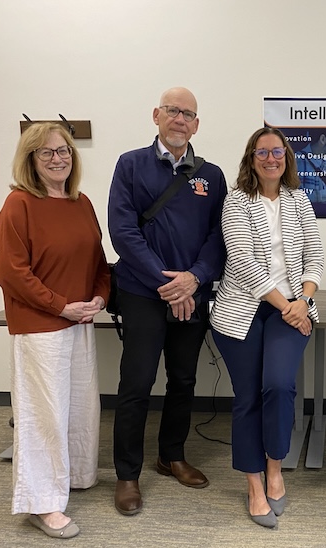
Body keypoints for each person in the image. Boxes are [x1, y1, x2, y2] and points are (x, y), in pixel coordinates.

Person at [108, 87, 227, 516]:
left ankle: (171, 456)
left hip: (192, 293)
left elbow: (219, 236)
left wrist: (193, 279)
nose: (180, 119)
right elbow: (123, 232)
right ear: (156, 115)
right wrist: (168, 284)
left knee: (183, 380)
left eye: (188, 114)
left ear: (196, 125)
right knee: (136, 383)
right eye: (173, 111)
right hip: (143, 292)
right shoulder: (130, 165)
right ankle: (127, 475)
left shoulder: (212, 175)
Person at [0, 122, 110, 539]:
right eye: (47, 152)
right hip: (41, 325)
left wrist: (99, 298)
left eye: (63, 151)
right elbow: (10, 272)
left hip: (79, 321)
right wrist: (59, 305)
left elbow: (98, 262)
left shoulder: (81, 202)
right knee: (43, 415)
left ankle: (74, 476)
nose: (58, 158)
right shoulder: (19, 204)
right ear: (31, 160)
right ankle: (41, 503)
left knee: (79, 407)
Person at [210, 127, 324, 529]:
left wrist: (303, 301)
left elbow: (315, 256)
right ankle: (254, 485)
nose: (271, 158)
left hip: (291, 309)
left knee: (278, 386)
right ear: (251, 158)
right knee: (247, 397)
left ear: (286, 157)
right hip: (240, 311)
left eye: (277, 152)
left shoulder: (298, 200)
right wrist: (289, 306)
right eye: (262, 152)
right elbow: (242, 261)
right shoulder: (236, 201)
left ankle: (275, 468)